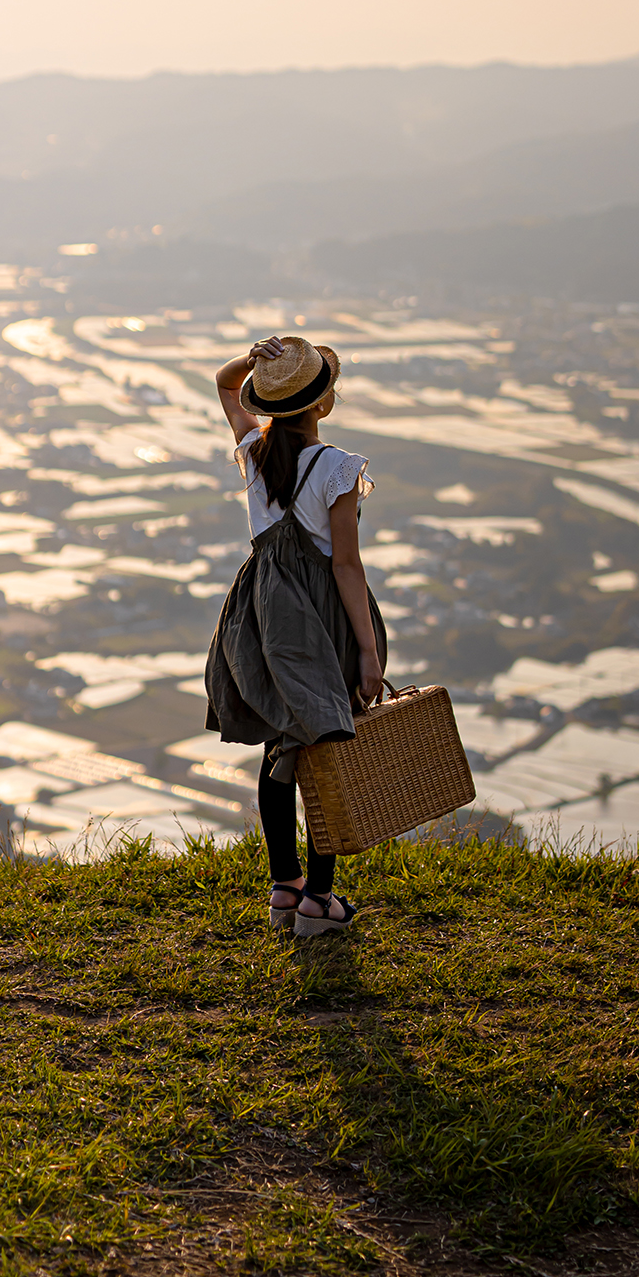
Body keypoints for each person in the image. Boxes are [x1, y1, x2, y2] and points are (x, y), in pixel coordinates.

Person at [205, 333, 387, 937]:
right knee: (324, 743)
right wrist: (367, 650)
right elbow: (345, 565)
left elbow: (225, 385)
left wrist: (253, 362)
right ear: (323, 404)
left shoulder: (254, 453)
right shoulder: (337, 467)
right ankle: (320, 900)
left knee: (280, 746)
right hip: (319, 615)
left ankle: (285, 889)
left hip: (259, 613)